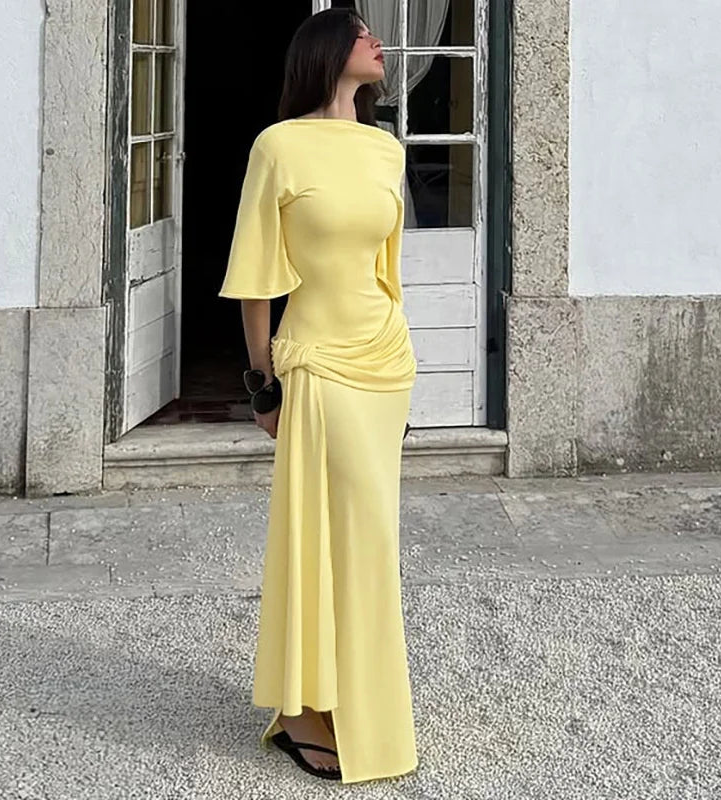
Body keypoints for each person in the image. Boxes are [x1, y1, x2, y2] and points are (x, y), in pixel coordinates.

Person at [218, 7, 419, 785]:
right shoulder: (279, 146)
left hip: (383, 364)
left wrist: (407, 362)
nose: (377, 41)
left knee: (372, 541)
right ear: (327, 51)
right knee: (333, 537)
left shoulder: (384, 149)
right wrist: (260, 386)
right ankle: (305, 709)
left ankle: (351, 704)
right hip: (320, 367)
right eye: (363, 30)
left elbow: (386, 272)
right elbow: (256, 278)